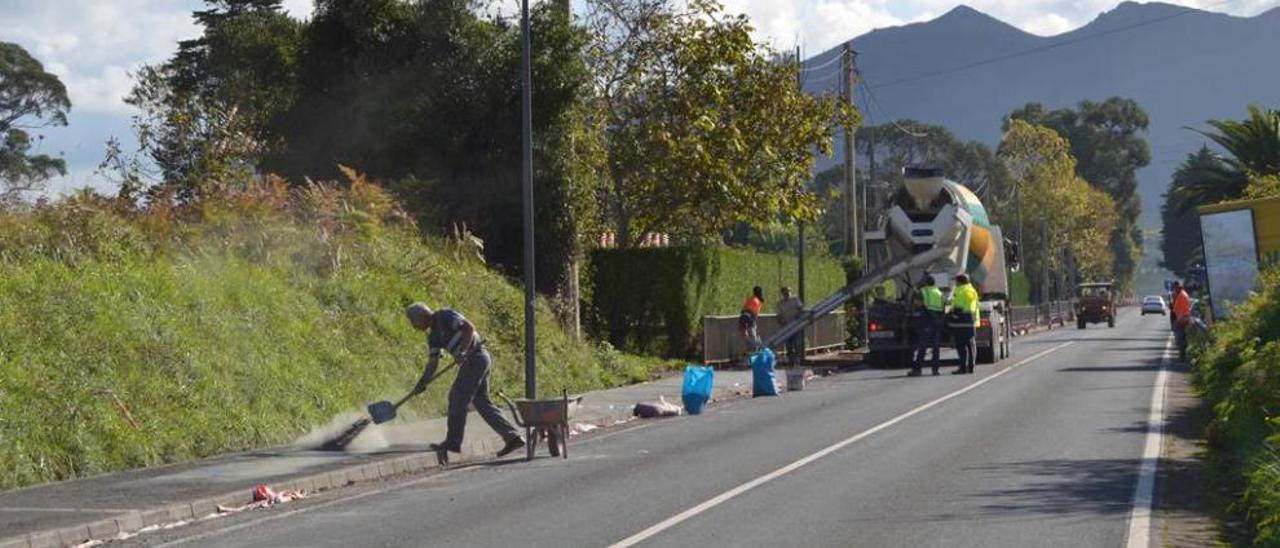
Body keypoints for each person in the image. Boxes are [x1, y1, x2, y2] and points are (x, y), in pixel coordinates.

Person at [406, 303, 524, 458]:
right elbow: (433, 363)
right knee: (482, 402)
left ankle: (453, 442)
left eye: (413, 321)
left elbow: (469, 328)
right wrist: (422, 383)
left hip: (475, 357)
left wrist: (463, 350)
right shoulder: (433, 336)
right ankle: (512, 437)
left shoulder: (445, 316)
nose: (413, 326)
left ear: (422, 316)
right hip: (472, 362)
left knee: (457, 397)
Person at [910, 276, 945, 377]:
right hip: (937, 323)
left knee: (922, 347)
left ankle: (917, 369)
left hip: (927, 321)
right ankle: (935, 370)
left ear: (926, 283)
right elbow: (943, 309)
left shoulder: (923, 291)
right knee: (936, 347)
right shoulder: (940, 293)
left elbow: (917, 304)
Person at [948, 274, 980, 375]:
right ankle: (971, 367)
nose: (955, 283)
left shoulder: (960, 291)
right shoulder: (972, 290)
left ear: (960, 282)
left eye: (956, 281)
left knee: (961, 347)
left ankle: (963, 367)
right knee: (971, 345)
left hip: (960, 321)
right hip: (971, 321)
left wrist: (951, 313)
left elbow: (958, 306)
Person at [776, 286, 805, 368]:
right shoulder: (780, 304)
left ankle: (798, 361)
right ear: (782, 294)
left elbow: (800, 309)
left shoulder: (795, 299)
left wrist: (798, 319)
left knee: (797, 344)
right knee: (789, 345)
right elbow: (779, 315)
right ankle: (790, 362)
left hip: (795, 326)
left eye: (788, 292)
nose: (787, 294)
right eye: (785, 293)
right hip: (787, 327)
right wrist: (782, 323)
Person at [738, 286, 764, 352]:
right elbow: (745, 314)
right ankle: (752, 356)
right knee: (753, 342)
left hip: (751, 323)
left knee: (754, 341)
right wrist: (743, 326)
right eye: (760, 292)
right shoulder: (754, 301)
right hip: (749, 324)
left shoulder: (755, 300)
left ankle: (753, 354)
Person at [1170, 281, 1192, 360]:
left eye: (1175, 288)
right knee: (1181, 336)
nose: (1174, 289)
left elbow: (1181, 309)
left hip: (1182, 318)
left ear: (1178, 287)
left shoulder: (1182, 295)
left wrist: (1178, 319)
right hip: (1182, 318)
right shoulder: (1181, 294)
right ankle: (1182, 353)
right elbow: (1175, 307)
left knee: (1181, 336)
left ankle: (1182, 354)